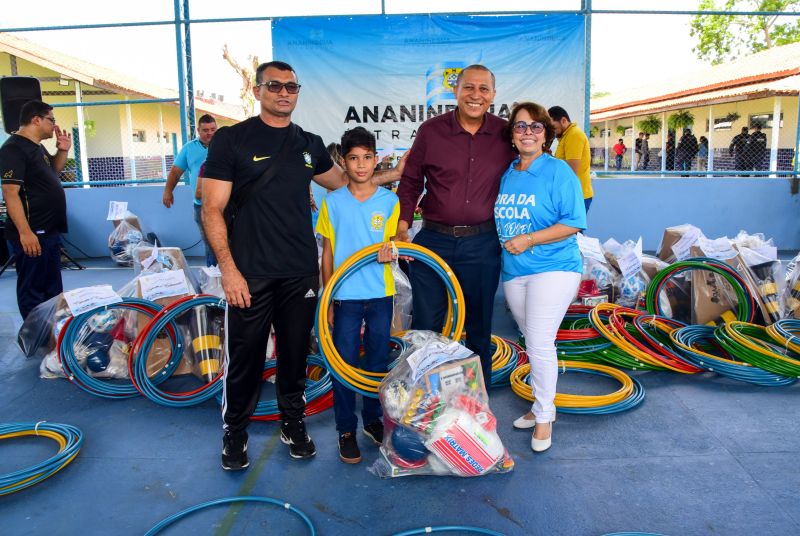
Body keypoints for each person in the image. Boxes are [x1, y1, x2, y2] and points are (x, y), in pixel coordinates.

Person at [202, 61, 402, 470]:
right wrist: (228, 269)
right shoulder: (231, 140)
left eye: (291, 86)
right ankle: (235, 434)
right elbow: (211, 209)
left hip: (299, 273)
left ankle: (293, 424)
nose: (284, 92)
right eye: (274, 85)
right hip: (250, 272)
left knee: (295, 356)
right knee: (246, 358)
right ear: (257, 90)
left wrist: (399, 173)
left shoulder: (308, 144)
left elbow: (351, 186)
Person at [395, 64, 515, 385]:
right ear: (456, 91)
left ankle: (477, 405)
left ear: (492, 95)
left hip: (483, 244)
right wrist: (402, 226)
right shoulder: (431, 131)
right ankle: (424, 400)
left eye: (483, 89)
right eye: (469, 88)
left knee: (478, 327)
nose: (476, 95)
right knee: (426, 326)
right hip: (433, 241)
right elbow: (409, 181)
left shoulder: (506, 134)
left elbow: (528, 169)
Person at [494, 102, 586, 452]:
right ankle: (539, 405)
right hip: (514, 271)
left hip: (554, 267)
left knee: (539, 342)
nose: (528, 132)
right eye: (520, 126)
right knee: (531, 337)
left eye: (536, 127)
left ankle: (545, 415)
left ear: (546, 134)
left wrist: (530, 239)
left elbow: (573, 221)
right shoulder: (507, 173)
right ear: (512, 135)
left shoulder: (558, 171)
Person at [316, 127, 399, 464]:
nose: (361, 165)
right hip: (346, 296)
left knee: (378, 361)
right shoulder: (332, 202)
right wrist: (329, 298)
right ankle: (345, 429)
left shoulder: (389, 201)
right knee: (344, 364)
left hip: (380, 293)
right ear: (343, 161)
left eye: (367, 157)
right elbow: (328, 254)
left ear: (376, 159)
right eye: (354, 158)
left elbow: (395, 244)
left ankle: (373, 421)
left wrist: (391, 250)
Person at [0, 100, 71, 320]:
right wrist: (25, 232)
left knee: (52, 288)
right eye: (51, 120)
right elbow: (10, 193)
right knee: (33, 289)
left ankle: (53, 335)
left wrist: (62, 150)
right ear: (36, 119)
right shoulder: (13, 149)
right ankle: (35, 337)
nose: (54, 125)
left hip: (49, 232)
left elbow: (54, 171)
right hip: (33, 233)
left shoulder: (36, 147)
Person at [162, 114, 218, 266]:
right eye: (205, 130)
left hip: (224, 203)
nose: (210, 133)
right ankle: (213, 279)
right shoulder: (189, 148)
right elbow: (175, 172)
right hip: (201, 205)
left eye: (213, 129)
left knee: (227, 242)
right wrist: (168, 191)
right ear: (198, 130)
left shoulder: (225, 145)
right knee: (211, 243)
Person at [548, 106, 593, 212]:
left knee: (571, 229)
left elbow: (571, 170)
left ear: (563, 120)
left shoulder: (574, 135)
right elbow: (564, 164)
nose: (552, 131)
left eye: (553, 127)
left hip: (576, 196)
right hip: (569, 194)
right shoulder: (566, 136)